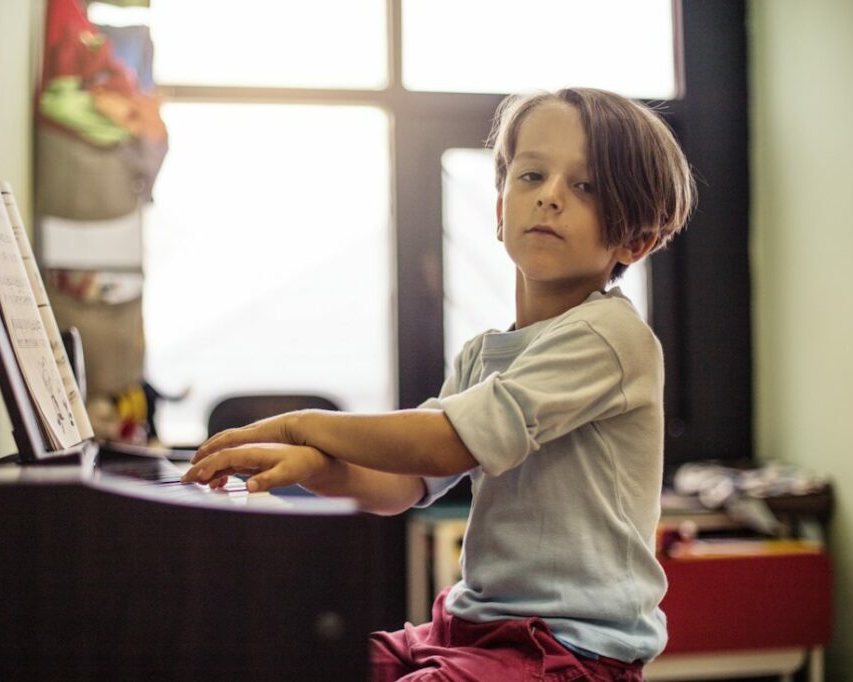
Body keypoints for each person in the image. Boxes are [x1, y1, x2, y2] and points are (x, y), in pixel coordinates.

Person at [182, 87, 696, 681]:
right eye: (531, 175)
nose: (550, 196)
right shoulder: (484, 355)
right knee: (295, 658)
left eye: (586, 186)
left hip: (569, 652)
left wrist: (301, 424)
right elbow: (404, 481)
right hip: (468, 628)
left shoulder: (610, 335)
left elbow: (446, 442)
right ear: (500, 207)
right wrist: (309, 467)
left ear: (635, 240)